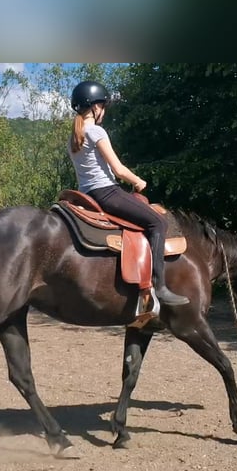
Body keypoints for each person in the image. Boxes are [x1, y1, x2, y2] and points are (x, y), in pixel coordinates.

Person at [67, 80, 189, 307]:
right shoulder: (95, 131)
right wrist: (138, 181)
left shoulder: (74, 136)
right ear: (95, 106)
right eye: (103, 106)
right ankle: (159, 286)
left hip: (87, 194)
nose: (104, 110)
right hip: (106, 192)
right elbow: (118, 168)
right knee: (158, 223)